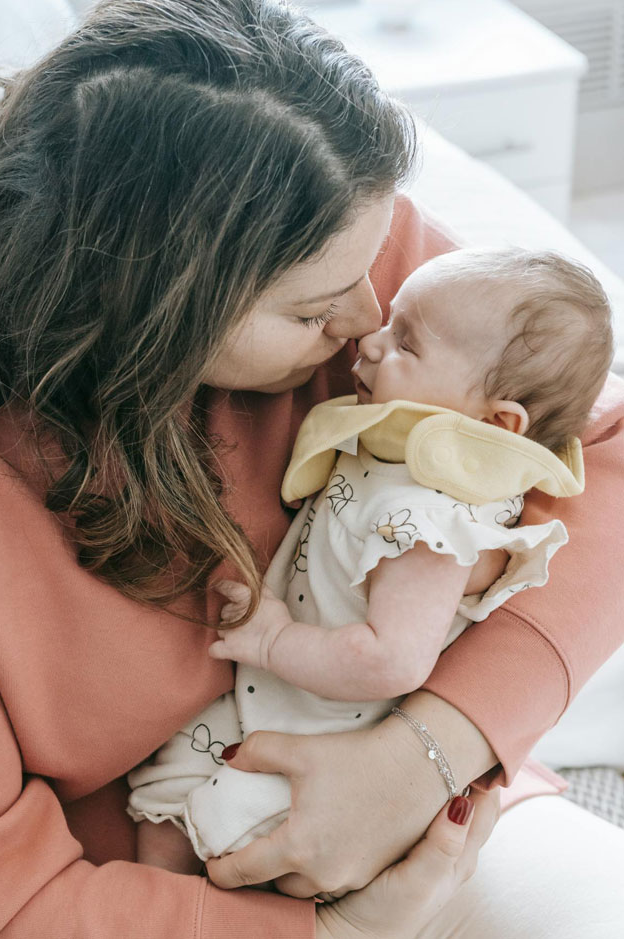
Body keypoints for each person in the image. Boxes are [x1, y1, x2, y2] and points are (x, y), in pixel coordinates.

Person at [0, 0, 624, 938]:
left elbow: (603, 448)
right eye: (309, 311)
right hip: (140, 878)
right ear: (146, 303)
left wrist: (421, 752)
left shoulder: (321, 218)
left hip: (403, 785)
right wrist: (340, 933)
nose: (367, 321)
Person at [129, 244, 610, 864]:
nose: (370, 341)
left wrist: (275, 642)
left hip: (327, 737)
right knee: (164, 802)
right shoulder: (395, 453)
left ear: (499, 424)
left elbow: (393, 661)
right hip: (272, 702)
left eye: (407, 344)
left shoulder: (437, 520)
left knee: (221, 836)